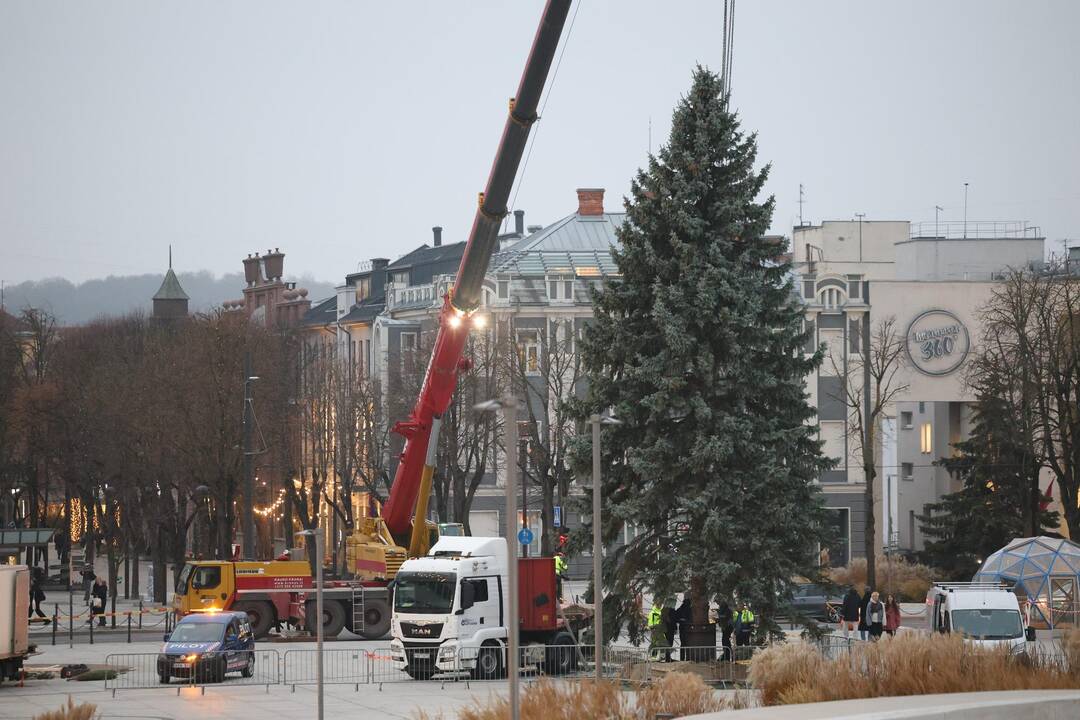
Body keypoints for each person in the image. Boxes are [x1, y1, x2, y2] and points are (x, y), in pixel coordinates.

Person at [716, 597, 733, 661]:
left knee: (725, 641)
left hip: (727, 627)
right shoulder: (724, 610)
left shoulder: (727, 610)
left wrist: (718, 618)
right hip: (725, 627)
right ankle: (727, 656)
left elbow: (725, 618)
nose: (718, 605)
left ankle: (727, 656)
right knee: (725, 641)